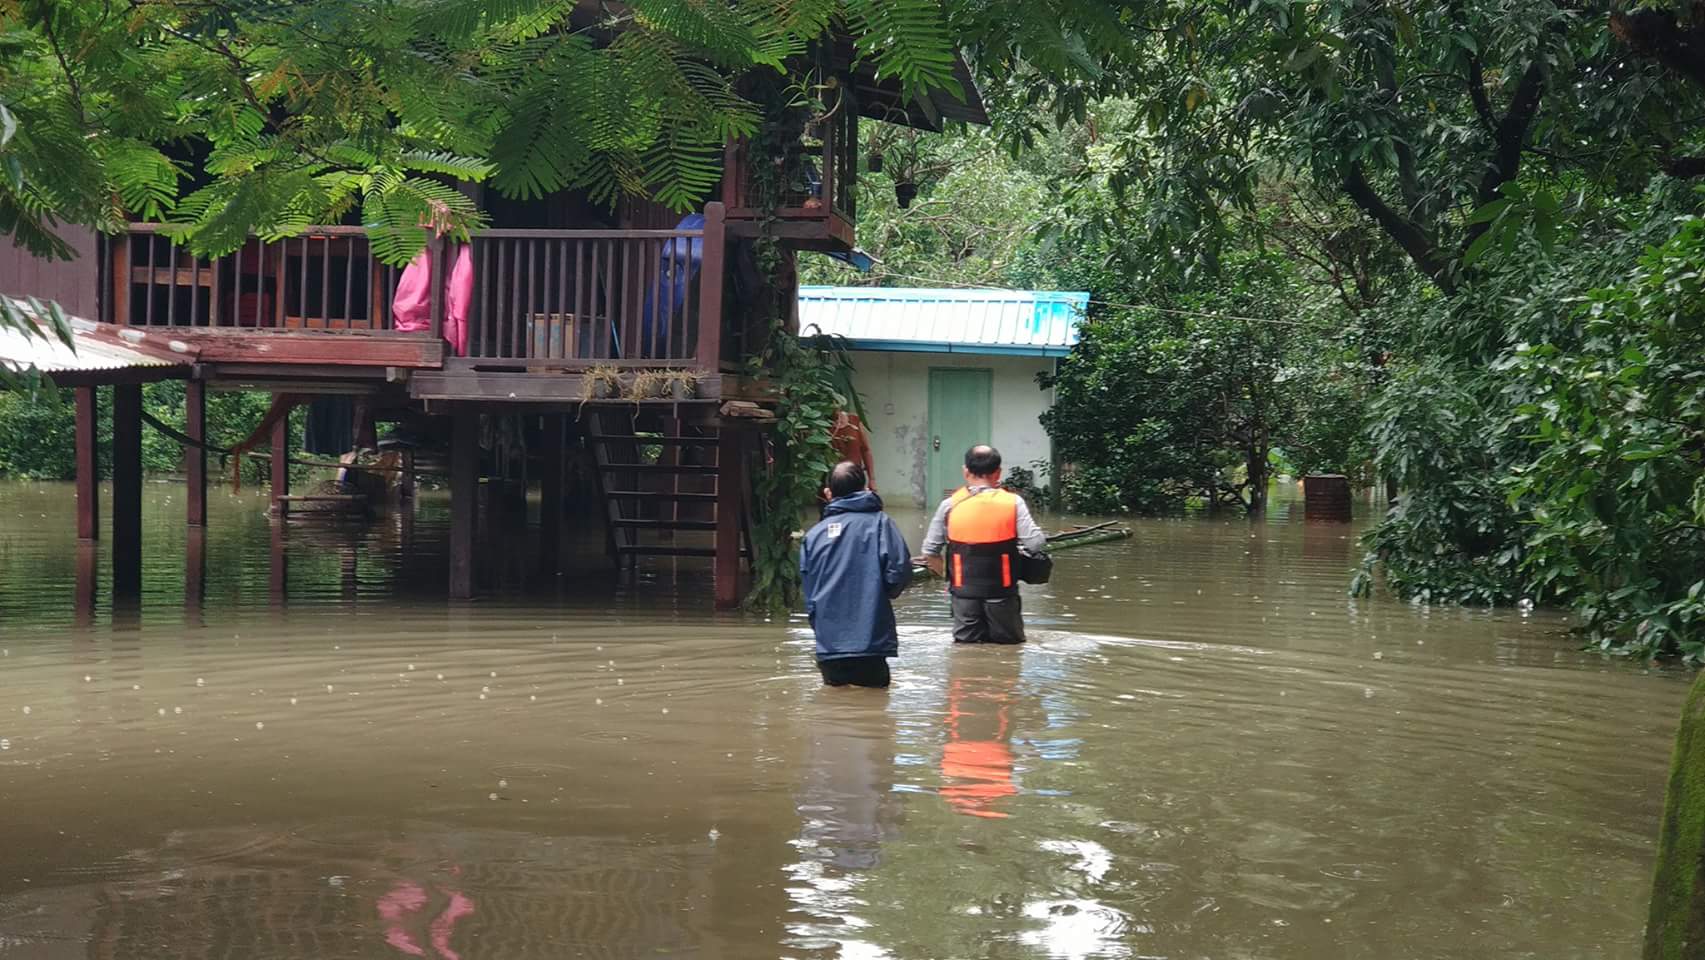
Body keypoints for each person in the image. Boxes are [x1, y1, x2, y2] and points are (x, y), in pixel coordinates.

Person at [799, 461, 913, 687]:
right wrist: (881, 595)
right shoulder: (881, 524)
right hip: (871, 641)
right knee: (875, 712)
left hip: (830, 646)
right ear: (865, 489)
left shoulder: (813, 536)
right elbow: (898, 572)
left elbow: (809, 593)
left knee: (832, 711)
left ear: (828, 493)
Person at [919, 445, 1047, 644]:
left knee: (965, 650)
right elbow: (1036, 544)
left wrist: (949, 578)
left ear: (966, 471)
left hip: (963, 595)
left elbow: (930, 552)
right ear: (998, 472)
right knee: (1009, 649)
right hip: (1002, 593)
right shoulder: (1013, 502)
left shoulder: (950, 505)